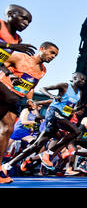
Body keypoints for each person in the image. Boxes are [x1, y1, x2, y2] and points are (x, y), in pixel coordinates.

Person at [3, 72, 85, 174]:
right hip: (54, 113)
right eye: (81, 79)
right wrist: (52, 96)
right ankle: (48, 153)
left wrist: (83, 107)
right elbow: (43, 89)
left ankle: (7, 165)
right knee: (76, 131)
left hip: (61, 118)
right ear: (74, 78)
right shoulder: (65, 86)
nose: (83, 81)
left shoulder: (79, 93)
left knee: (36, 146)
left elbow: (75, 108)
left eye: (84, 80)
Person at [0, 41, 58, 183]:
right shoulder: (21, 57)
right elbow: (2, 62)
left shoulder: (43, 71)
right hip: (1, 93)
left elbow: (31, 86)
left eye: (55, 55)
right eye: (51, 53)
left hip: (14, 101)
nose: (53, 57)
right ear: (42, 49)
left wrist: (30, 100)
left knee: (7, 130)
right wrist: (10, 74)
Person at [0, 4, 36, 75]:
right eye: (24, 18)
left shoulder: (18, 39)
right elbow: (11, 46)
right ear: (10, 14)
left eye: (29, 22)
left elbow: (1, 61)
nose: (26, 23)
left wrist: (10, 75)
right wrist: (11, 46)